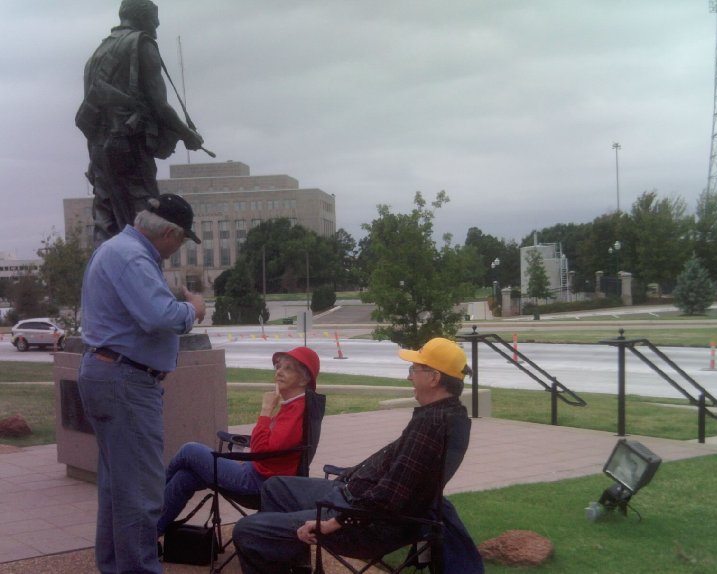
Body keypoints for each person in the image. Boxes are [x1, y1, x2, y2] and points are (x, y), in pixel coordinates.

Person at [232, 337, 471, 574]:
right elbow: (397, 477)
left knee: (246, 530)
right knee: (275, 487)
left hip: (363, 523)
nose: (409, 376)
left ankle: (276, 547)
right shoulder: (448, 416)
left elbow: (388, 498)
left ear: (434, 378)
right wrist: (350, 476)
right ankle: (298, 563)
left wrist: (331, 523)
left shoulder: (431, 426)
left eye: (414, 370)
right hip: (353, 496)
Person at [77, 193, 206, 574]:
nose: (178, 248)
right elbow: (159, 316)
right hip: (126, 381)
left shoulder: (118, 249)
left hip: (111, 374)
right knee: (140, 496)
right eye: (181, 240)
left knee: (118, 491)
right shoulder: (132, 256)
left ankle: (116, 568)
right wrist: (193, 310)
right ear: (168, 231)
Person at [76, 0, 204, 246]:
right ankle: (140, 279)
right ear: (141, 16)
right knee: (145, 220)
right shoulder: (141, 44)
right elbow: (159, 104)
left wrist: (95, 159)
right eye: (154, 17)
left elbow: (90, 117)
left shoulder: (97, 55)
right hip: (129, 148)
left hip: (99, 152)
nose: (157, 24)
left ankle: (103, 278)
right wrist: (187, 134)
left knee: (106, 221)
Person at [157, 346, 321, 535]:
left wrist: (266, 409)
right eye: (278, 366)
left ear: (304, 378)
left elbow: (260, 451)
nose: (279, 372)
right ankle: (148, 536)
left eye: (288, 368)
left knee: (189, 450)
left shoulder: (297, 411)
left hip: (259, 483)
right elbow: (269, 448)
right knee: (185, 477)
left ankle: (150, 502)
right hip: (260, 473)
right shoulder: (297, 406)